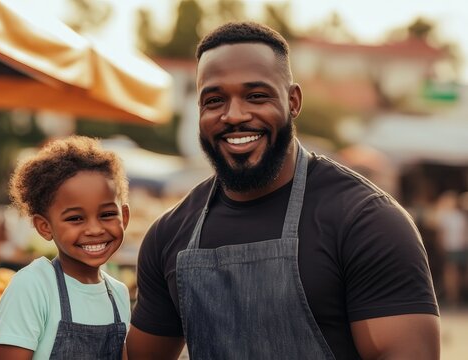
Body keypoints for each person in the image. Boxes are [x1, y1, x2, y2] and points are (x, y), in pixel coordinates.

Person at [127, 21, 440, 359]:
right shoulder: (169, 234)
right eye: (214, 100)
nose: (234, 115)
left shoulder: (366, 221)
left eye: (256, 96)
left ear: (293, 101)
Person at [0, 136, 132, 360]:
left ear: (124, 217)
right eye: (76, 218)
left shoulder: (118, 294)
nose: (95, 229)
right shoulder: (32, 287)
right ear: (44, 227)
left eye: (106, 214)